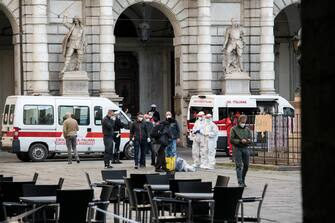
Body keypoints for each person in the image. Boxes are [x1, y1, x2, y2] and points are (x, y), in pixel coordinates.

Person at [230, 115, 252, 187]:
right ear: (239, 121)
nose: (243, 123)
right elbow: (231, 140)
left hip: (245, 148)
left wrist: (248, 140)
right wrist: (239, 141)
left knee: (246, 165)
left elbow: (250, 138)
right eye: (242, 122)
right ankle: (240, 182)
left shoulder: (247, 129)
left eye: (245, 122)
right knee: (239, 165)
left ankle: (243, 179)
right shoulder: (234, 129)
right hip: (237, 148)